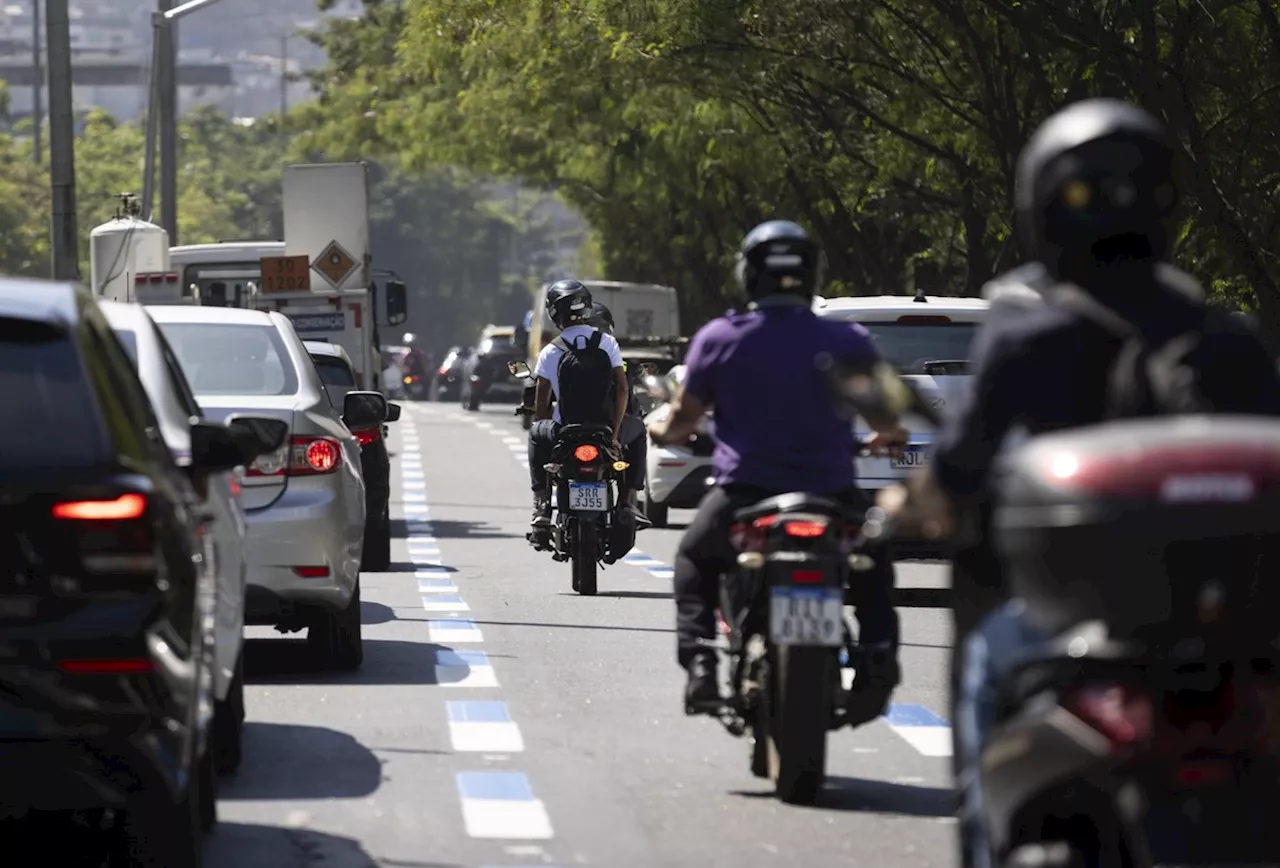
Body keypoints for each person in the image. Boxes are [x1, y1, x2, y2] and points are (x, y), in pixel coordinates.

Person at [872, 98, 1280, 860]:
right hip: (1226, 628)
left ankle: (983, 843)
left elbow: (954, 478)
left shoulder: (1028, 337)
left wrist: (900, 510)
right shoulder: (1230, 341)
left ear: (1043, 209)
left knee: (989, 679)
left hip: (1062, 620)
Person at [647, 219, 909, 716]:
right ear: (811, 275)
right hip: (832, 494)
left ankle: (702, 661)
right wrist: (888, 436)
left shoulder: (720, 338)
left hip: (745, 495)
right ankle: (876, 661)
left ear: (748, 275)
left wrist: (660, 432)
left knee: (694, 561)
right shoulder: (849, 339)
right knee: (873, 570)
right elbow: (886, 417)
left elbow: (682, 420)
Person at [527, 279, 631, 531]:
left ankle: (542, 503)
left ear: (554, 313)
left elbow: (541, 405)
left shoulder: (551, 351)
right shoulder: (607, 343)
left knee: (535, 435)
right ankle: (626, 503)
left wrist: (547, 432)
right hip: (603, 431)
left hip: (565, 432)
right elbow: (622, 388)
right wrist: (614, 434)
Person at [584, 300, 651, 524]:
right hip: (610, 431)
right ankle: (630, 499)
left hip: (569, 432)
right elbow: (626, 393)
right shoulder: (617, 359)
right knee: (639, 431)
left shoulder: (562, 352)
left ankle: (542, 505)